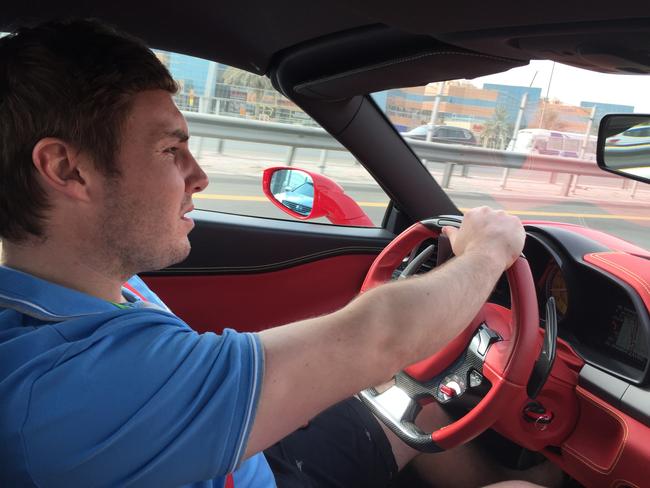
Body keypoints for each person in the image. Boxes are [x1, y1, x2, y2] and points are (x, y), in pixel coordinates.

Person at [0, 19, 559, 487]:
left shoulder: (84, 290)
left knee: (415, 403)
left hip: (244, 460)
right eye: (170, 149)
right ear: (67, 169)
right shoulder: (69, 390)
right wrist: (488, 252)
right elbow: (377, 337)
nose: (198, 177)